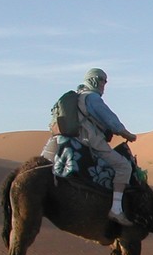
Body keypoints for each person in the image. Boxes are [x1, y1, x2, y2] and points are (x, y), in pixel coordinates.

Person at [42, 68, 138, 226]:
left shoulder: (76, 98)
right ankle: (116, 209)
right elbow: (110, 120)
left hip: (62, 140)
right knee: (124, 166)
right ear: (94, 80)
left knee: (41, 165)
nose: (104, 85)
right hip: (88, 140)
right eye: (102, 80)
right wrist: (126, 134)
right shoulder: (92, 98)